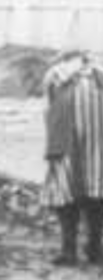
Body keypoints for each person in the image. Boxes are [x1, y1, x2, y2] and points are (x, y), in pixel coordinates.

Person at [41, 50, 103, 265]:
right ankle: (87, 249)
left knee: (71, 195)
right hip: (86, 147)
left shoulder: (57, 75)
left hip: (75, 145)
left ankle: (78, 249)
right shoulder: (95, 75)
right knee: (91, 194)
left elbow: (47, 111)